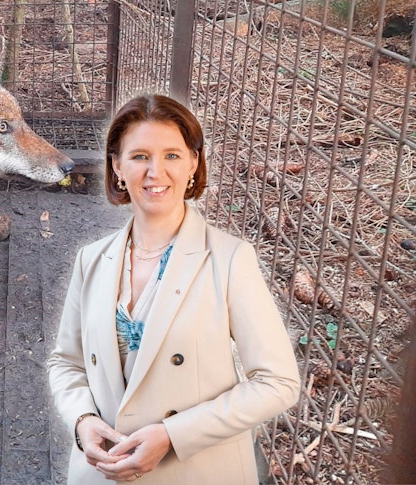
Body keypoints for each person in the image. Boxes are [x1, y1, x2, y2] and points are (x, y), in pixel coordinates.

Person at [47, 94, 301, 484]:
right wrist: (82, 419)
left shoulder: (230, 259)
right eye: (139, 156)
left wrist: (172, 435)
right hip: (103, 473)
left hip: (195, 472)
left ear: (193, 163)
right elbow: (66, 363)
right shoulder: (92, 260)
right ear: (117, 166)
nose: (155, 172)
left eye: (171, 155)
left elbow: (277, 382)